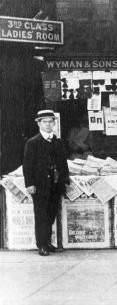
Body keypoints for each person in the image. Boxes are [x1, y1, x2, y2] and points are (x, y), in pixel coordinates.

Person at [23, 110, 70, 256]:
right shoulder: (32, 143)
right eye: (45, 122)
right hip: (40, 186)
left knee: (50, 214)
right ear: (39, 124)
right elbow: (27, 165)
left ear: (55, 123)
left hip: (55, 185)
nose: (48, 124)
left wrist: (65, 179)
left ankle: (47, 242)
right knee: (41, 215)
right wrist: (29, 184)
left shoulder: (58, 142)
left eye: (51, 121)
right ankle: (41, 245)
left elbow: (63, 163)